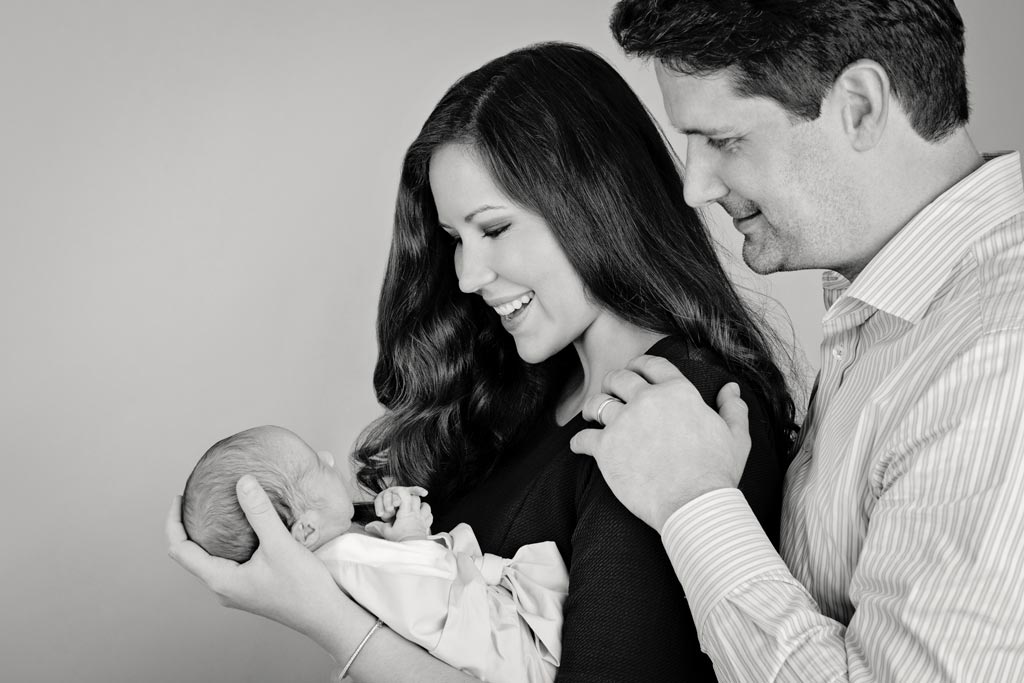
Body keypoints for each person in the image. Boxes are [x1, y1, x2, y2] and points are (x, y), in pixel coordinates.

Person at [167, 41, 797, 681]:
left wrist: (327, 619)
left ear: (596, 201)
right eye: (453, 240)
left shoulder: (672, 416)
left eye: (493, 229)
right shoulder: (526, 389)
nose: (467, 276)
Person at [571, 2, 1024, 681]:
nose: (694, 188)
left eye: (724, 140)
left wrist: (693, 498)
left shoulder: (994, 354)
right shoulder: (894, 307)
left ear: (862, 107)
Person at [182, 425, 567, 683]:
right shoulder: (349, 556)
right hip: (505, 656)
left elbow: (407, 607)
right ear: (306, 529)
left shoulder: (332, 562)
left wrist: (395, 537)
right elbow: (432, 585)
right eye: (318, 465)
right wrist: (415, 537)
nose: (330, 458)